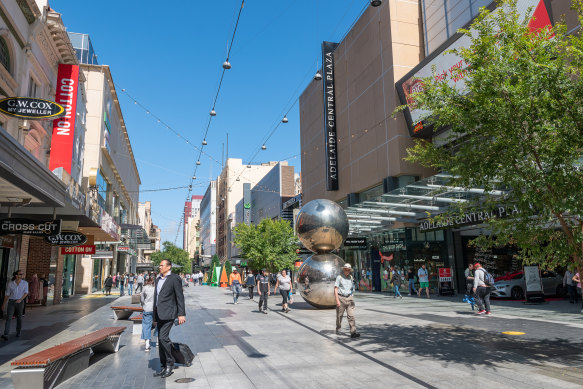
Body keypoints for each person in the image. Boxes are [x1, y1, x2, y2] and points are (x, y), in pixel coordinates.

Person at [153, 259, 186, 378]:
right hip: (159, 313)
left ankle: (170, 363)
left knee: (163, 337)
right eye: (159, 265)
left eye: (162, 265)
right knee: (160, 339)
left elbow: (179, 296)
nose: (160, 267)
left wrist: (181, 314)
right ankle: (163, 366)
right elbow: (156, 297)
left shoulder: (174, 278)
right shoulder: (157, 280)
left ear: (169, 267)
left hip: (169, 313)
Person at [335, 263, 360, 338]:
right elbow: (335, 289)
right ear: (343, 270)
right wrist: (337, 300)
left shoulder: (351, 277)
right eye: (346, 269)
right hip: (341, 298)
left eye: (348, 270)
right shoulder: (339, 277)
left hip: (349, 299)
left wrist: (352, 296)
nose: (347, 271)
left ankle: (353, 332)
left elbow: (352, 288)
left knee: (351, 316)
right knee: (339, 316)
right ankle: (338, 328)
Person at [2, 271, 28, 340]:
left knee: (19, 317)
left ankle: (18, 331)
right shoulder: (10, 284)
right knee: (9, 318)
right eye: (20, 274)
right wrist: (3, 304)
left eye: (22, 274)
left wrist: (20, 299)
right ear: (16, 275)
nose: (22, 275)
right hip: (11, 302)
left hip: (20, 302)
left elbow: (26, 293)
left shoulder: (25, 283)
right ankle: (6, 334)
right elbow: (7, 294)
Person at [141, 277, 157, 351]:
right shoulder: (156, 288)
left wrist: (143, 304)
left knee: (146, 326)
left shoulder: (144, 288)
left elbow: (142, 299)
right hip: (156, 308)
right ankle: (158, 341)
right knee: (158, 324)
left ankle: (147, 344)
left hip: (147, 308)